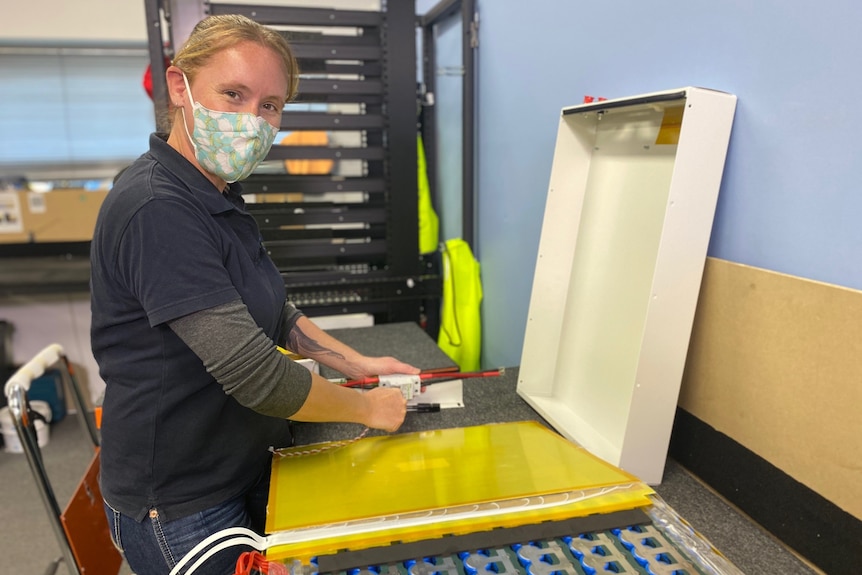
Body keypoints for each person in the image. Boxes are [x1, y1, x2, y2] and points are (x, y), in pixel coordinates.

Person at [90, 14, 418, 575]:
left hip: (239, 462)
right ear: (179, 87)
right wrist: (370, 408)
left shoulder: (215, 194)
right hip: (180, 504)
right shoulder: (158, 208)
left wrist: (357, 362)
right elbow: (256, 375)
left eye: (269, 105)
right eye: (233, 94)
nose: (251, 120)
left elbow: (277, 314)